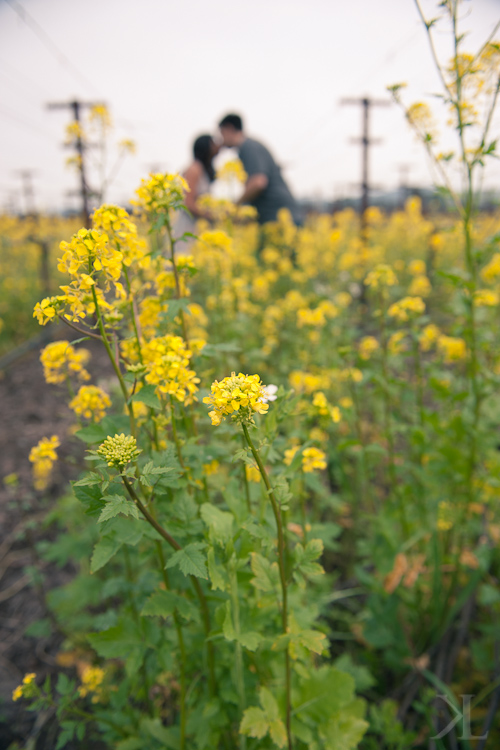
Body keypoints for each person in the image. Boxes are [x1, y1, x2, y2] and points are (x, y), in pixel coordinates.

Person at [218, 113, 300, 225]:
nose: (221, 140)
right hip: (278, 216)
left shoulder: (248, 147)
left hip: (279, 217)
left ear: (230, 128)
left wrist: (234, 207)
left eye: (222, 134)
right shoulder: (249, 147)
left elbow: (258, 182)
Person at [173, 134, 219, 244]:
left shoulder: (203, 169)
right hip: (188, 227)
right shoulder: (195, 168)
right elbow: (188, 202)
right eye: (213, 143)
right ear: (205, 147)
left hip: (198, 226)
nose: (217, 147)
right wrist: (211, 215)